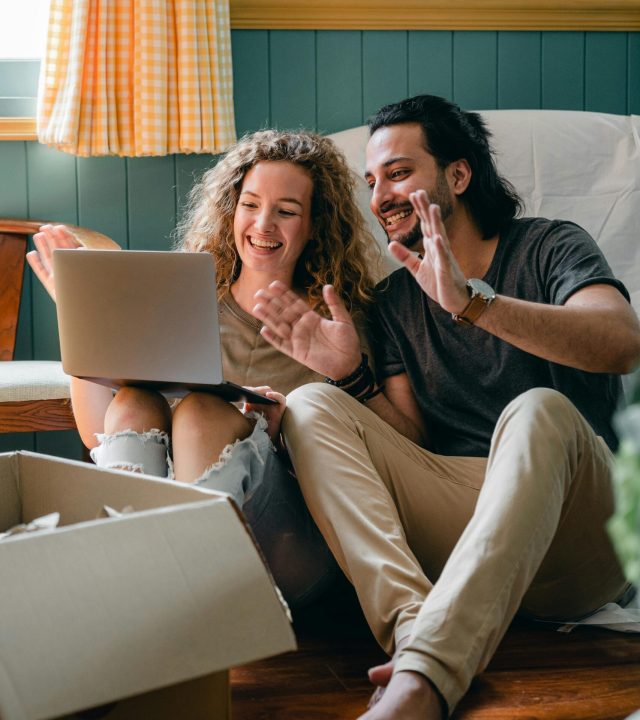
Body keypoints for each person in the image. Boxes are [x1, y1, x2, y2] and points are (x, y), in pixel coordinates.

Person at [251, 95, 640, 718]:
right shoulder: (392, 302)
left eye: (399, 173)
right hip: (467, 520)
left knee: (537, 408)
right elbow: (415, 442)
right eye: (372, 181)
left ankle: (427, 679)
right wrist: (351, 377)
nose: (380, 195)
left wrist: (472, 303)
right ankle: (412, 630)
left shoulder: (548, 246)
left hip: (578, 534)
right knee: (311, 403)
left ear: (458, 175)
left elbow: (621, 344)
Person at [27, 129, 378, 608]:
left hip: (291, 547)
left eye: (287, 211)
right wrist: (80, 320)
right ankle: (151, 595)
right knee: (133, 400)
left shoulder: (338, 323)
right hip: (174, 555)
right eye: (250, 204)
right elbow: (97, 437)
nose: (263, 224)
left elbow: (368, 462)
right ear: (231, 210)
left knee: (199, 413)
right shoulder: (185, 303)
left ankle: (154, 600)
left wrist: (283, 428)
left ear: (316, 223)